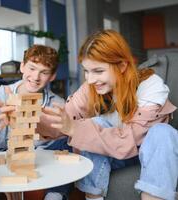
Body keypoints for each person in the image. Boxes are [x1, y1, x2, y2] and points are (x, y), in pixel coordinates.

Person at [42, 29, 178, 200]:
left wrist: (76, 129)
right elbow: (63, 121)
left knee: (163, 133)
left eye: (98, 71)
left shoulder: (151, 87)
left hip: (146, 152)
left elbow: (129, 140)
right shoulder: (91, 88)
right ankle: (93, 197)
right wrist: (30, 120)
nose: (90, 79)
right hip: (114, 156)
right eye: (86, 71)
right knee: (96, 123)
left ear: (122, 66)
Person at [0, 44, 72, 200]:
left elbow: (69, 134)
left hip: (41, 158)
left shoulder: (57, 103)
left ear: (52, 76)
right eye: (32, 68)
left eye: (44, 72)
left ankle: (55, 195)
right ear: (22, 67)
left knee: (69, 142)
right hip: (2, 153)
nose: (36, 77)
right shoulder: (0, 95)